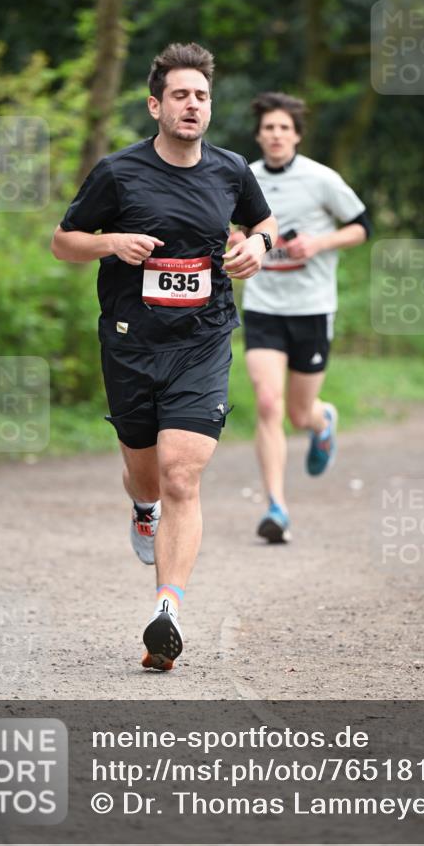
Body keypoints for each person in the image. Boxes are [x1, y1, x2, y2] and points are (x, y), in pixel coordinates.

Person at [51, 43, 277, 669]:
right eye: (180, 95)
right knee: (148, 475)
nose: (192, 105)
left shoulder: (231, 171)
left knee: (183, 474)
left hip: (202, 341)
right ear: (156, 105)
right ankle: (142, 509)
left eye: (201, 96)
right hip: (130, 343)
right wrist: (111, 242)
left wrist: (257, 246)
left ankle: (166, 611)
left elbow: (264, 223)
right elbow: (62, 243)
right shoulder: (118, 173)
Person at [229, 92, 370, 544]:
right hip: (264, 306)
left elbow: (362, 226)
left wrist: (319, 244)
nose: (275, 135)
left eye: (283, 128)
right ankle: (276, 506)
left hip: (311, 308)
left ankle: (322, 420)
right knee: (269, 404)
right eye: (268, 128)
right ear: (258, 134)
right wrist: (234, 236)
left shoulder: (321, 178)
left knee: (299, 410)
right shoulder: (243, 177)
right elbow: (228, 224)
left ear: (297, 135)